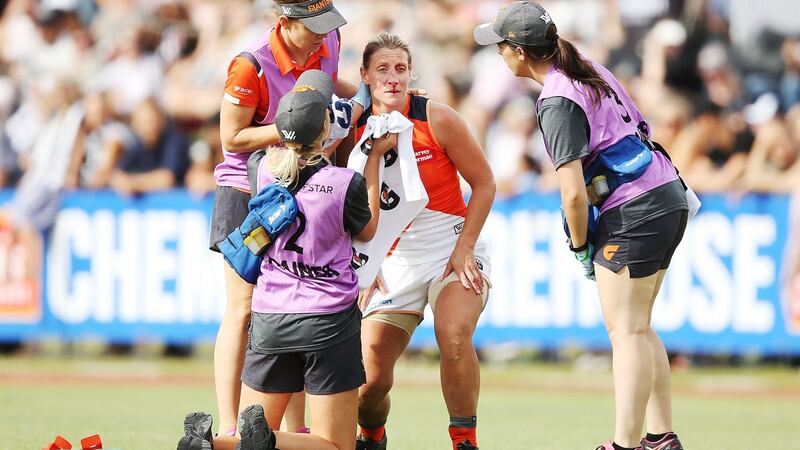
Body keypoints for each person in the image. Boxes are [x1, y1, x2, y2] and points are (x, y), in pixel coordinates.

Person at [474, 3, 689, 450]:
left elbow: (572, 194)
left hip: (634, 207)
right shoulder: (587, 67)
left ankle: (625, 445)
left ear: (518, 51)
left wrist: (579, 245)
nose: (498, 54)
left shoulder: (555, 98)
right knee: (639, 326)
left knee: (626, 330)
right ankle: (660, 437)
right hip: (666, 193)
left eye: (500, 46)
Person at [179, 70, 394, 450]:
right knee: (335, 445)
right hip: (328, 320)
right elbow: (368, 230)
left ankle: (210, 444)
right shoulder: (345, 184)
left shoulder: (260, 167)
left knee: (247, 440)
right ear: (327, 125)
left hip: (271, 316)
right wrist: (373, 158)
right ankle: (271, 442)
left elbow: (284, 161)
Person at [210, 0, 354, 437]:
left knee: (299, 301)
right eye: (311, 27)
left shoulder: (328, 38)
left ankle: (296, 428)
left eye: (325, 26)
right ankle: (232, 428)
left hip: (308, 186)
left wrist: (371, 95)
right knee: (244, 308)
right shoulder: (249, 65)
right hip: (249, 190)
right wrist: (296, 126)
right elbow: (231, 137)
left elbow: (329, 85)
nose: (321, 36)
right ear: (284, 22)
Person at [352, 33, 496, 450]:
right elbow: (347, 205)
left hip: (449, 248)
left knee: (453, 334)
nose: (393, 78)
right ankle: (371, 436)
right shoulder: (352, 126)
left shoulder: (438, 118)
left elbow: (485, 183)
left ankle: (464, 440)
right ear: (364, 75)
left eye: (400, 68)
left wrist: (465, 246)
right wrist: (365, 261)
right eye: (382, 69)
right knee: (369, 382)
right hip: (392, 260)